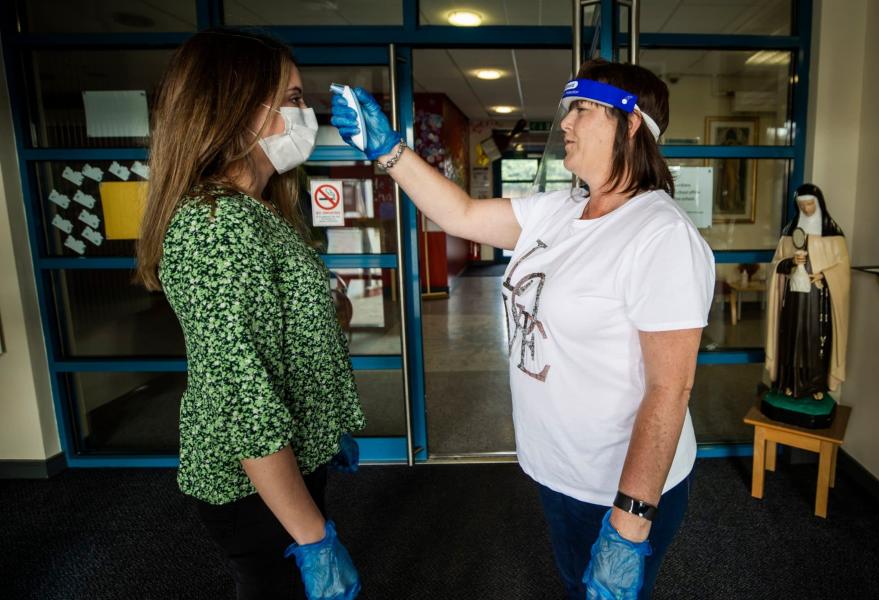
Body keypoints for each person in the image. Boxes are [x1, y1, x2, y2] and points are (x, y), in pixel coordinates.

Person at [331, 58, 715, 600]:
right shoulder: (561, 209)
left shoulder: (660, 236)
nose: (566, 123)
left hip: (615, 484)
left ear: (630, 125)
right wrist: (390, 154)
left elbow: (669, 389)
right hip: (557, 466)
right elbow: (461, 214)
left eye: (582, 108)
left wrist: (629, 524)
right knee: (570, 580)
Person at [135, 29, 365, 600]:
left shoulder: (259, 212)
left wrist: (324, 312)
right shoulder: (217, 227)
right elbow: (241, 398)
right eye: (290, 99)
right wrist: (313, 538)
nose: (304, 112)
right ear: (234, 109)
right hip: (253, 483)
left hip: (285, 460)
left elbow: (290, 333)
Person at [765, 183, 850, 400]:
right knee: (792, 339)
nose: (807, 210)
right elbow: (775, 265)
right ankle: (789, 383)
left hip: (818, 300)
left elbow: (842, 268)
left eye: (810, 204)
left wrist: (823, 276)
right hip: (793, 299)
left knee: (815, 341)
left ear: (819, 203)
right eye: (802, 206)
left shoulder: (833, 234)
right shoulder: (789, 234)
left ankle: (816, 387)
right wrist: (790, 262)